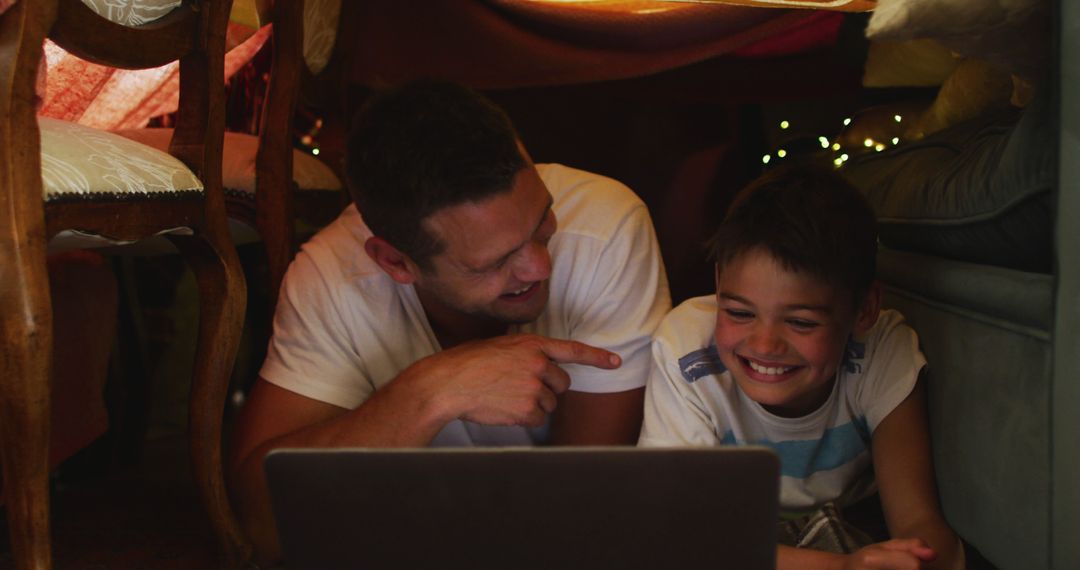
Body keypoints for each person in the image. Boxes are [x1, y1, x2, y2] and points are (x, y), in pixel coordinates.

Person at [229, 79, 671, 563]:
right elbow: (263, 526)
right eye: (493, 263)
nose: (540, 267)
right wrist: (431, 391)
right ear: (396, 262)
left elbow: (589, 503)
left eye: (541, 220)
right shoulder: (332, 276)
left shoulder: (605, 227)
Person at [638, 164, 964, 569]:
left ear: (864, 309)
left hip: (851, 528)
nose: (764, 345)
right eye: (739, 312)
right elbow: (677, 533)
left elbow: (918, 520)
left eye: (801, 322)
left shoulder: (882, 350)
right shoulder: (687, 351)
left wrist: (914, 558)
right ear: (719, 284)